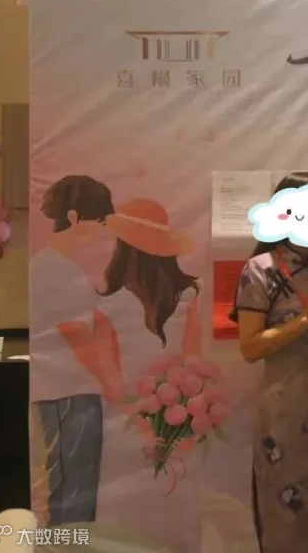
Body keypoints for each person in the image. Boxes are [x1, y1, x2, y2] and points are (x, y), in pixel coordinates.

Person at [232, 172, 308, 553]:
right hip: (286, 414)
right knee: (286, 515)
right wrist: (305, 319)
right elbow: (250, 347)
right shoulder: (260, 269)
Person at [93, 197, 203, 552]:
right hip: (178, 417)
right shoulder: (187, 294)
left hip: (123, 421)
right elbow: (194, 361)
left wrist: (137, 415)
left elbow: (108, 376)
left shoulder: (106, 302)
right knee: (175, 502)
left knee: (125, 513)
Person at [30, 174, 117, 525]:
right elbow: (75, 333)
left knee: (73, 486)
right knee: (73, 489)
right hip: (67, 392)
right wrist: (109, 382)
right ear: (73, 218)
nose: (103, 231)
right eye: (99, 221)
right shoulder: (54, 268)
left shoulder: (58, 265)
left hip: (66, 391)